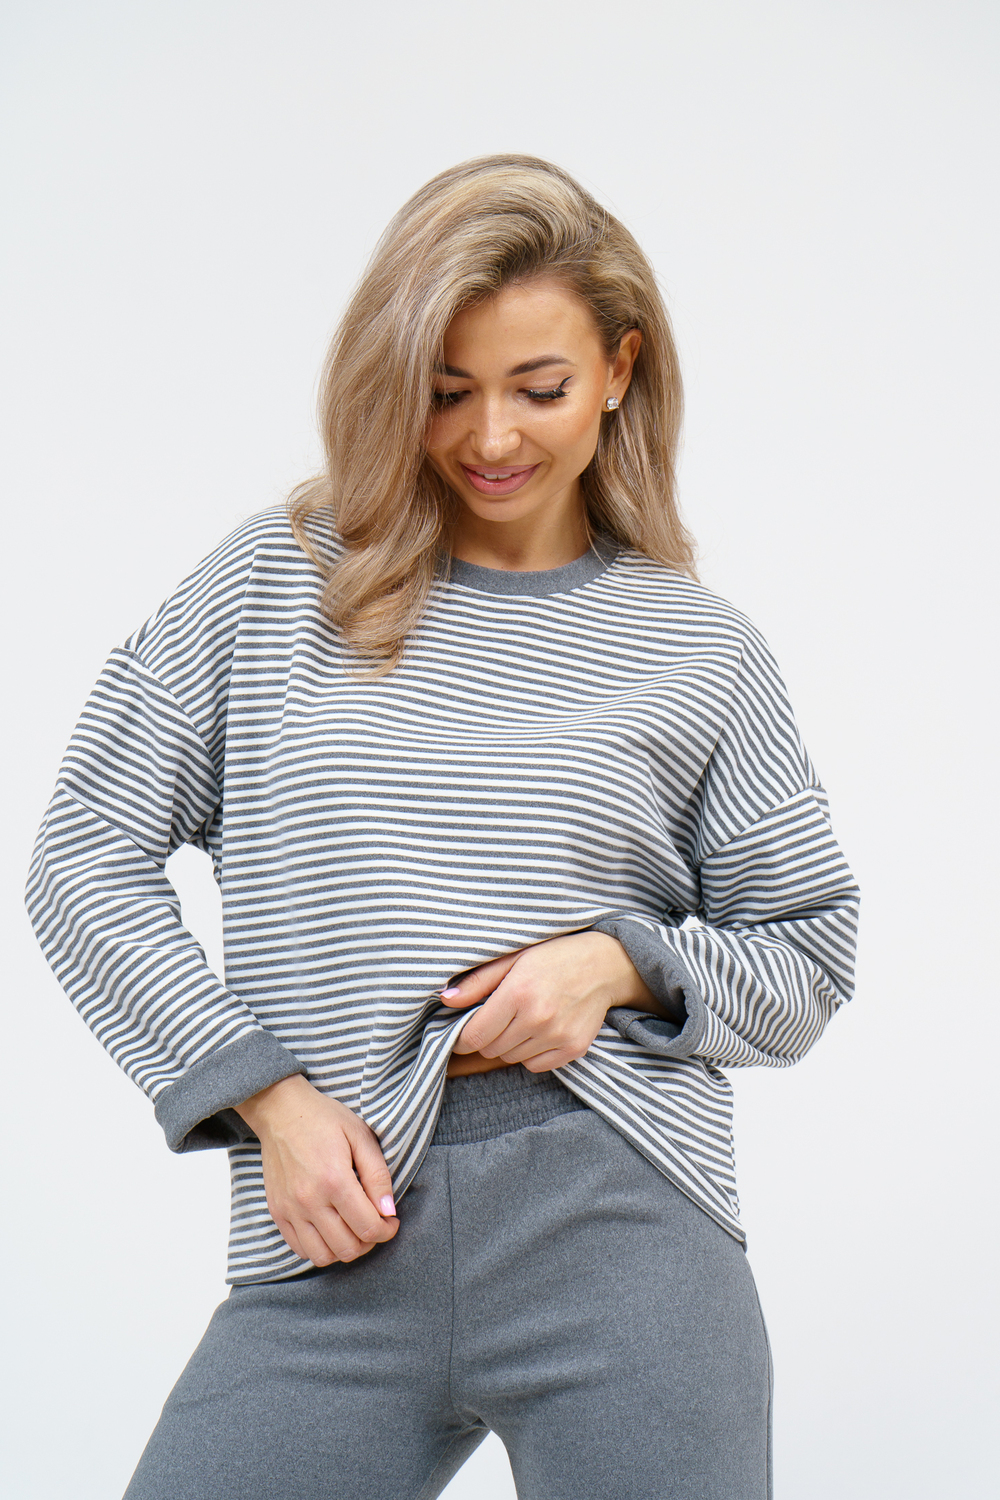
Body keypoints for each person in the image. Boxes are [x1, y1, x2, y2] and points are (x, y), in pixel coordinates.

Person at [27, 154, 859, 1500]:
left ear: (620, 370)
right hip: (336, 1232)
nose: (490, 438)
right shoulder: (275, 582)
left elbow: (811, 953)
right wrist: (268, 1101)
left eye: (538, 388)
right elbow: (83, 857)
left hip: (625, 1231)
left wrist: (620, 963)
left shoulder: (699, 649)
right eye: (445, 389)